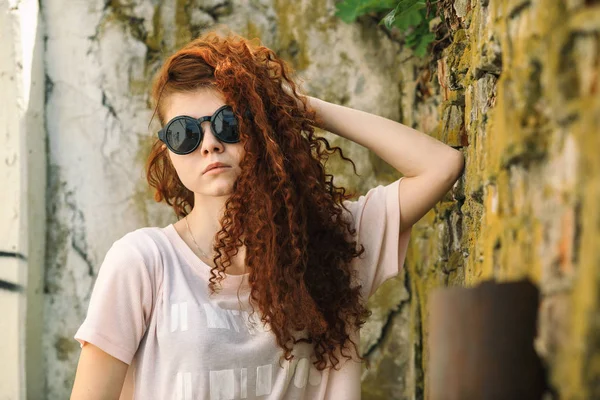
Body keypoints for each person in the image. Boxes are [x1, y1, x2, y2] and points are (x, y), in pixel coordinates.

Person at [70, 31, 464, 400]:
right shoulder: (144, 263)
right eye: (184, 133)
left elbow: (441, 166)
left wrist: (295, 108)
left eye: (229, 124)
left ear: (259, 128)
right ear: (169, 153)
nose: (209, 144)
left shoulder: (329, 244)